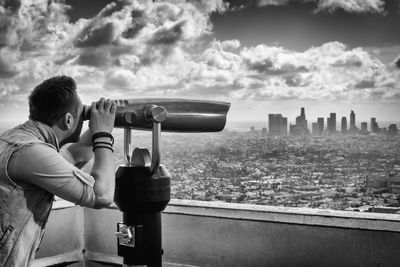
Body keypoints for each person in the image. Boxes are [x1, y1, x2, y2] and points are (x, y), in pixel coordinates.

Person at [0, 75, 117, 266]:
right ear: (69, 120)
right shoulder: (30, 153)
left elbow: (75, 156)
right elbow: (102, 195)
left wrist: (100, 121)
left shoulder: (19, 140)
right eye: (81, 115)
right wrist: (104, 135)